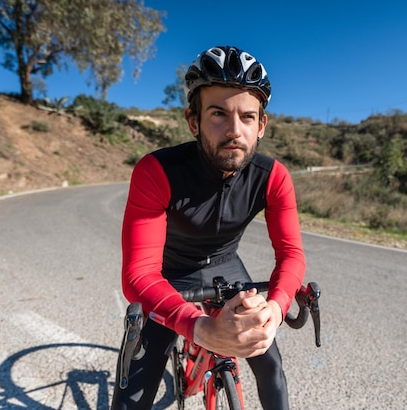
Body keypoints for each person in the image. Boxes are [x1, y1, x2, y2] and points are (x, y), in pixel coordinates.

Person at [111, 46, 306, 410]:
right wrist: (199, 328)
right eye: (218, 114)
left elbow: (292, 254)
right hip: (166, 275)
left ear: (261, 125)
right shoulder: (157, 171)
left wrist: (275, 310)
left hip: (225, 264)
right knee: (131, 401)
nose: (235, 130)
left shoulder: (273, 176)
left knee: (272, 370)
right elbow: (138, 274)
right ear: (194, 121)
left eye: (247, 116)